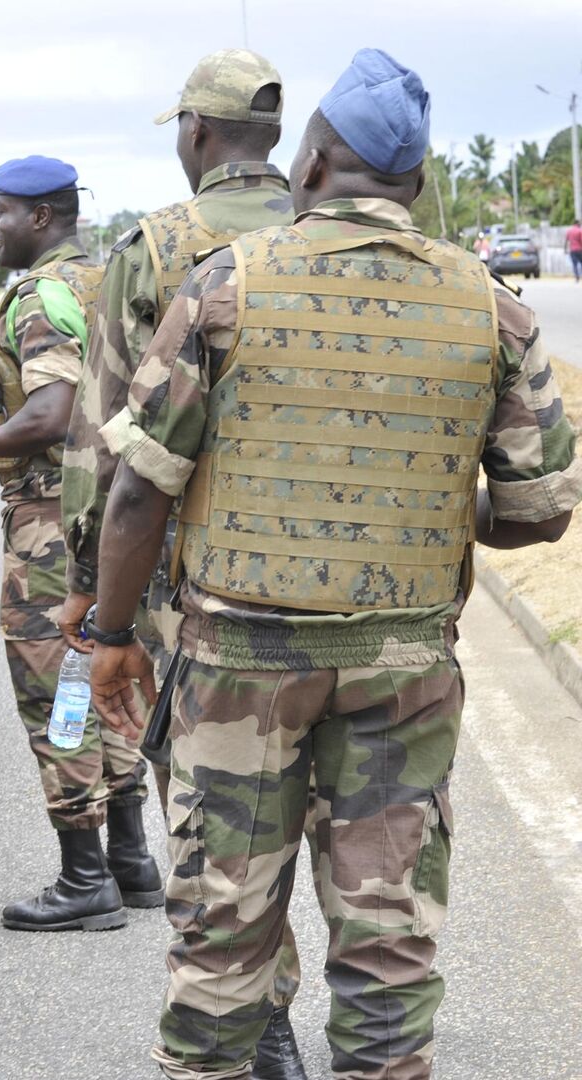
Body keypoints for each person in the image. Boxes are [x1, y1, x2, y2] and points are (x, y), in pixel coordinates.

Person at [86, 48, 580, 1079]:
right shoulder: (491, 306)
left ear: (309, 167)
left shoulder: (224, 287)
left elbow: (139, 489)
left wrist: (111, 636)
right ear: (416, 182)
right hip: (405, 672)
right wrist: (438, 512)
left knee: (222, 947)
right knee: (389, 955)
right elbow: (537, 514)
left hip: (236, 672)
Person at [53, 49, 308, 1076]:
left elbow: (104, 440)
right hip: (342, 587)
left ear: (197, 135)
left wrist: (89, 590)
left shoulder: (153, 249)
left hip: (191, 594)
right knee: (339, 819)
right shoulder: (333, 232)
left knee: (219, 824)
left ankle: (266, 1022)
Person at [0, 155, 152, 933]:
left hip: (51, 524)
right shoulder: (102, 279)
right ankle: (132, 861)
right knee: (101, 677)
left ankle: (85, 880)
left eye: (2, 212)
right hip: (112, 516)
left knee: (61, 694)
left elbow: (51, 414)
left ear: (41, 217)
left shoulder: (40, 297)